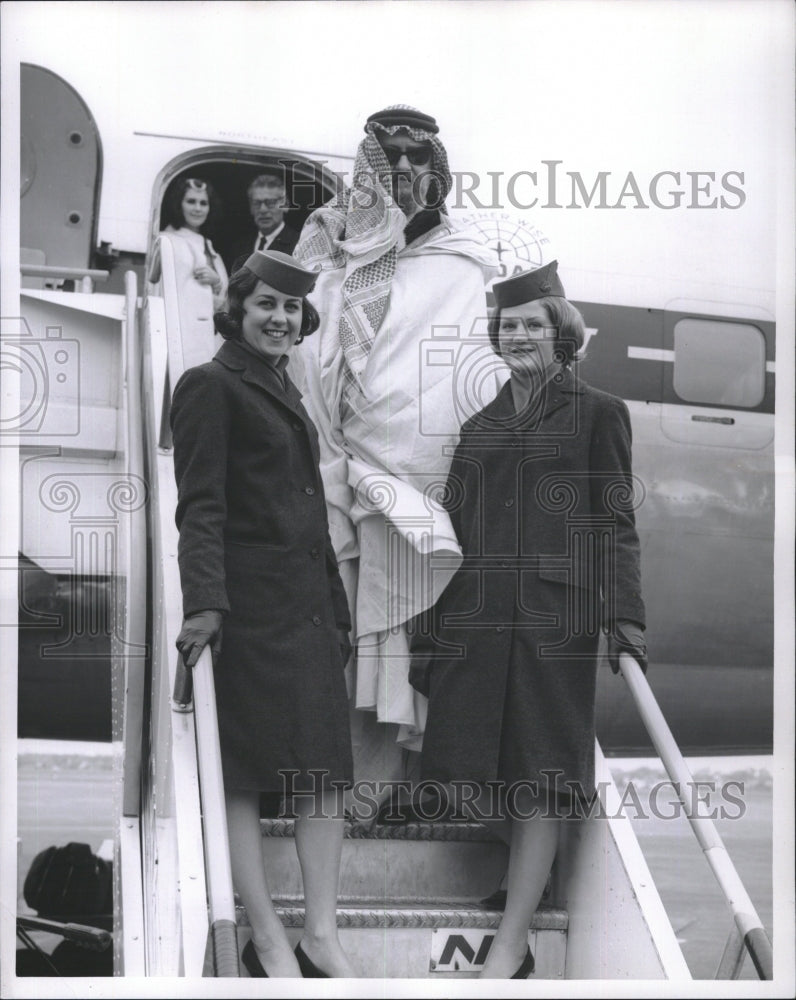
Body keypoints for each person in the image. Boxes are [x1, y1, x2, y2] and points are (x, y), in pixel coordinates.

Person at [409, 261, 647, 978]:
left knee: (541, 765)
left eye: (532, 325)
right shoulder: (481, 424)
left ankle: (512, 944)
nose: (519, 336)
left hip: (554, 615)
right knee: (495, 757)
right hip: (482, 615)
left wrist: (625, 618)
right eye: (508, 326)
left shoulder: (599, 412)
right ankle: (523, 880)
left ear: (561, 334)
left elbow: (616, 522)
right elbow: (456, 524)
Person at [291, 105, 500, 794]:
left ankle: (409, 792)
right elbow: (311, 363)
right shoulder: (334, 260)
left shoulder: (465, 265)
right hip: (346, 479)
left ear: (437, 171)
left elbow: (472, 377)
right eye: (389, 158)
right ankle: (351, 794)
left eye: (417, 158)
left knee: (419, 644)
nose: (404, 168)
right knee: (354, 639)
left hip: (429, 490)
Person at [170, 250, 355, 979]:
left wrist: (337, 611)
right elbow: (201, 508)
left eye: (290, 310)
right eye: (266, 307)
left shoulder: (282, 386)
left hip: (306, 608)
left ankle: (321, 934)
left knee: (325, 774)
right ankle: (271, 939)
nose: (280, 319)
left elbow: (309, 513)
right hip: (247, 609)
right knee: (245, 774)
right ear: (236, 311)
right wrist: (206, 606)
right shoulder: (210, 386)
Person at [160, 176, 229, 367]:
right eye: (191, 201)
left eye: (203, 203)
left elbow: (223, 300)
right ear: (178, 204)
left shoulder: (207, 245)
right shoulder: (169, 241)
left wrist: (217, 283)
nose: (197, 209)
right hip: (183, 340)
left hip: (211, 340)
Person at [226, 173, 300, 273]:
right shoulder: (239, 246)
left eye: (270, 203)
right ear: (251, 207)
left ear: (285, 205)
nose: (263, 209)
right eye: (257, 203)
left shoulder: (299, 245)